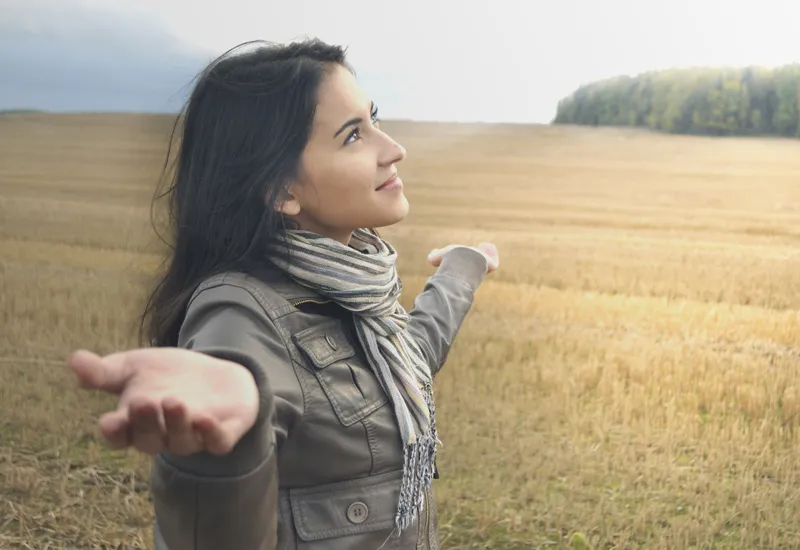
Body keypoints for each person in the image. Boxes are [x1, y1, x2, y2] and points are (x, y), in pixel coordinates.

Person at [65, 38, 499, 550]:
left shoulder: (354, 292)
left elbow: (408, 354)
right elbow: (239, 386)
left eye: (373, 119)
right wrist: (229, 445)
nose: (393, 148)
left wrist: (459, 272)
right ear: (282, 191)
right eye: (354, 135)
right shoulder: (239, 310)